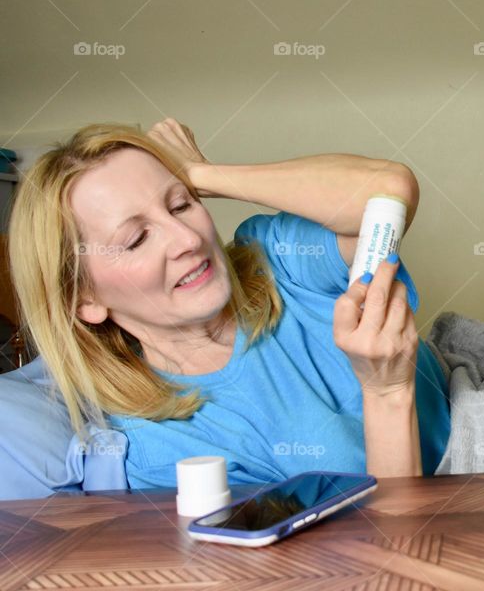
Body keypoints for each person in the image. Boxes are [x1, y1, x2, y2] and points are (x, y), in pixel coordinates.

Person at [8, 118, 451, 488]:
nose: (189, 239)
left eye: (180, 204)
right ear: (84, 300)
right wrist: (386, 390)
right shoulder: (158, 449)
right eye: (138, 238)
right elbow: (387, 552)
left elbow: (388, 190)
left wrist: (200, 173)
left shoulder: (274, 258)